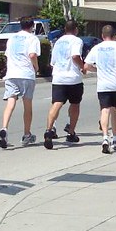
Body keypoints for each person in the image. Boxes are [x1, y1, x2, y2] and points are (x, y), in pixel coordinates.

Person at [83, 24, 116, 154]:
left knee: (105, 110)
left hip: (103, 85)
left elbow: (86, 66)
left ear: (102, 36)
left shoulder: (97, 48)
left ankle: (105, 137)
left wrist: (97, 69)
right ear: (115, 36)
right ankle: (115, 138)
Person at [0, 17, 40, 148]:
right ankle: (27, 134)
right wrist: (36, 67)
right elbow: (32, 55)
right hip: (26, 74)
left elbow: (7, 55)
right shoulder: (33, 38)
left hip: (11, 74)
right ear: (32, 26)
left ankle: (4, 128)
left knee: (10, 102)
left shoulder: (12, 38)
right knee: (27, 104)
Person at [44, 19, 84, 149]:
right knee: (75, 104)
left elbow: (53, 62)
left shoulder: (58, 42)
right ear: (76, 29)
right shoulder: (77, 41)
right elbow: (75, 56)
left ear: (65, 30)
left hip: (58, 77)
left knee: (57, 103)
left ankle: (49, 130)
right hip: (73, 78)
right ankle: (71, 132)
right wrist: (82, 66)